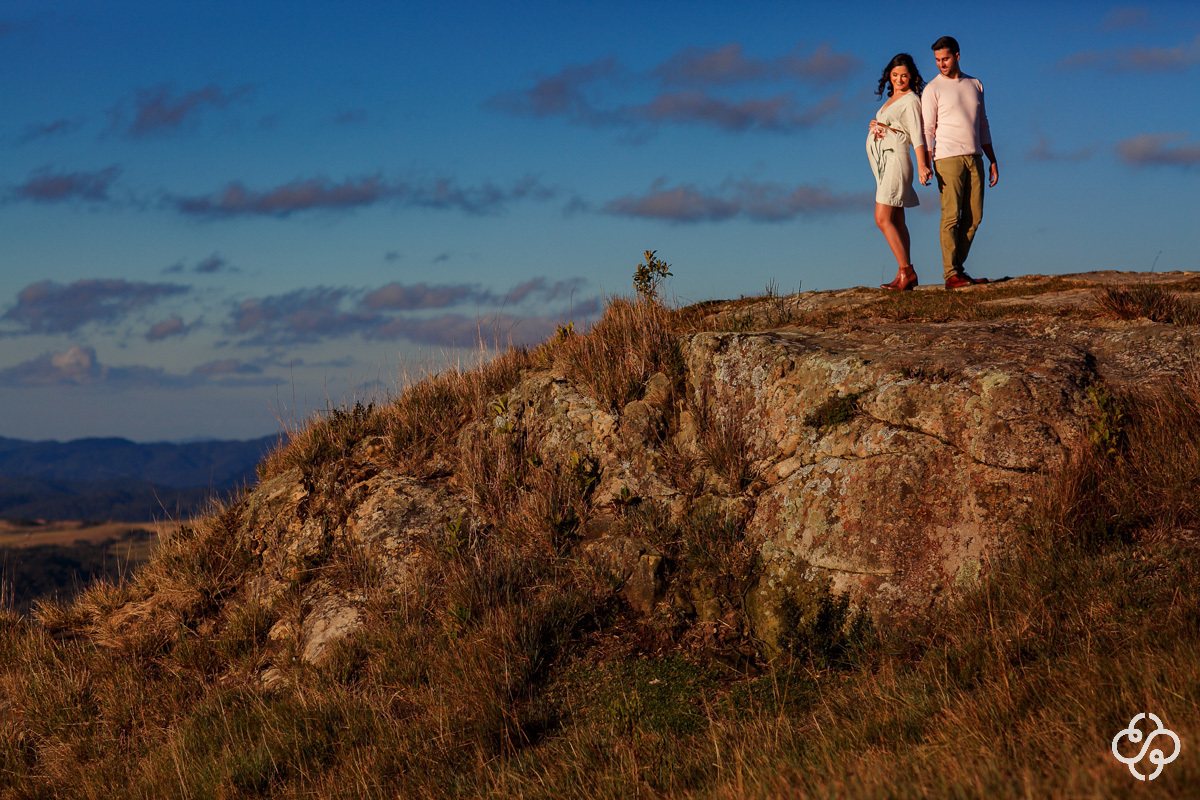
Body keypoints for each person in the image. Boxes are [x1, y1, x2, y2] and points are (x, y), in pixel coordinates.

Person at [921, 36, 998, 289]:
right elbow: (927, 129)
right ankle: (951, 274)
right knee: (951, 216)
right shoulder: (932, 89)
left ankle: (958, 269)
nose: (941, 64)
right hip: (946, 157)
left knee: (975, 216)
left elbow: (983, 123)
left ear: (957, 55)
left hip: (975, 156)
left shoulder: (975, 84)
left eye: (945, 59)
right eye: (937, 60)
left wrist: (992, 159)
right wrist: (926, 162)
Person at [868, 53, 931, 291]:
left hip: (896, 162)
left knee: (882, 218)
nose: (899, 79)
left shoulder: (911, 99)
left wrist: (923, 164)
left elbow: (916, 134)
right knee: (897, 220)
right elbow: (894, 127)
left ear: (911, 77)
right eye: (895, 75)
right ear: (889, 76)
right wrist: (876, 126)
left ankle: (907, 272)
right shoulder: (892, 100)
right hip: (885, 165)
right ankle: (903, 272)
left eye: (904, 75)